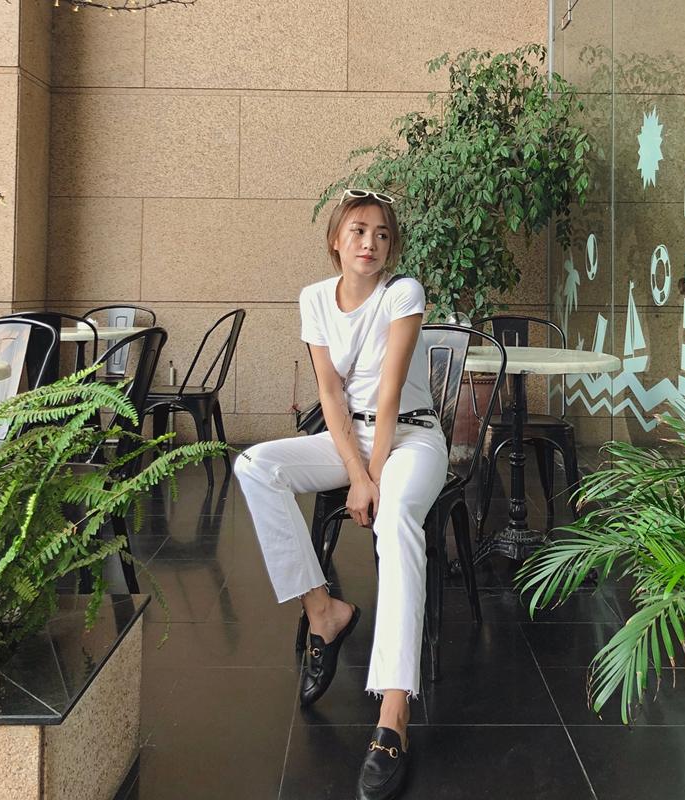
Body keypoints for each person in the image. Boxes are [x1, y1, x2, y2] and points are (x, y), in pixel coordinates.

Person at [234, 189, 448, 800]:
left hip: (410, 436)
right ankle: (323, 611)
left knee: (397, 518)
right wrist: (356, 473)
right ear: (335, 239)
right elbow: (330, 393)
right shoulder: (313, 299)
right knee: (255, 466)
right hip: (346, 436)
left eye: (381, 234)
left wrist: (372, 479)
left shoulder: (402, 293)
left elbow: (388, 394)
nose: (370, 243)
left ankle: (393, 712)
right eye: (358, 230)